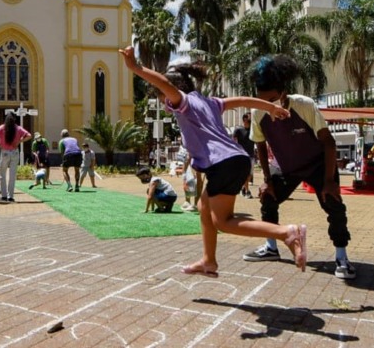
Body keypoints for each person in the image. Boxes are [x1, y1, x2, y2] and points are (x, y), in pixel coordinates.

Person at [120, 46, 307, 277]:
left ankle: (287, 233)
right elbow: (241, 100)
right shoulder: (210, 102)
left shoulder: (183, 102)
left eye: (161, 97)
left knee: (223, 222)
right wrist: (270, 107)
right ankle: (209, 261)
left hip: (224, 163)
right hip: (235, 160)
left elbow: (166, 86)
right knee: (203, 208)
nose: (162, 101)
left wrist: (136, 68)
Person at [242, 55, 356, 280]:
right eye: (263, 100)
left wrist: (330, 181)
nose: (268, 105)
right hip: (286, 166)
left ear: (283, 92)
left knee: (333, 203)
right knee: (268, 196)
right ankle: (271, 247)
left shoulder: (304, 105)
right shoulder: (258, 112)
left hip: (318, 164)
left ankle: (342, 256)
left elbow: (329, 143)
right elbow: (260, 145)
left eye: (272, 99)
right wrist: (267, 178)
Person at [0, 114, 31, 202]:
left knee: (2, 175)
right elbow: (29, 135)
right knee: (12, 175)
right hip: (15, 152)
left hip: (4, 151)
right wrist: (20, 141)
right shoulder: (18, 128)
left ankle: (4, 195)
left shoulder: (2, 127)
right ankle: (10, 196)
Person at [233, 112, 256, 199]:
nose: (250, 119)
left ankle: (243, 188)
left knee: (249, 174)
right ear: (244, 120)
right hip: (242, 156)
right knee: (246, 174)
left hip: (251, 155)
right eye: (249, 118)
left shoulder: (253, 130)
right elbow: (234, 141)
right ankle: (247, 191)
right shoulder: (238, 130)